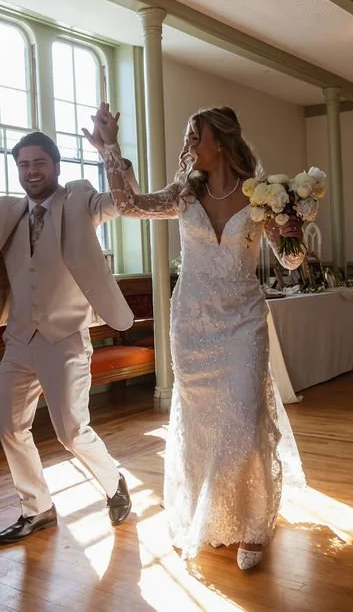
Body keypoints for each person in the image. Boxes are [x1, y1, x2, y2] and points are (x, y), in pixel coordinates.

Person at [82, 103, 307, 571]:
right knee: (204, 426)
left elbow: (291, 261)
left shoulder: (261, 198)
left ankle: (251, 523)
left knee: (244, 422)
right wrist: (110, 150)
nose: (187, 147)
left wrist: (292, 228)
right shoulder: (184, 194)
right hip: (193, 323)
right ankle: (212, 513)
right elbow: (129, 205)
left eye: (193, 137)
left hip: (243, 319)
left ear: (220, 143)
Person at [0, 133, 133, 543]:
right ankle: (37, 509)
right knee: (10, 428)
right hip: (18, 338)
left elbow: (119, 203)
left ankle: (113, 482)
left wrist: (111, 154)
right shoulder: (4, 212)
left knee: (71, 432)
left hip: (65, 335)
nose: (32, 171)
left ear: (56, 166)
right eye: (24, 165)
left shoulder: (80, 199)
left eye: (39, 163)